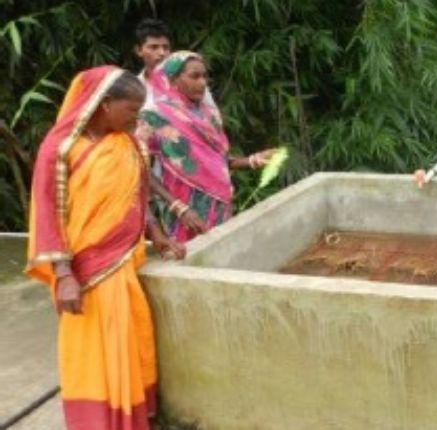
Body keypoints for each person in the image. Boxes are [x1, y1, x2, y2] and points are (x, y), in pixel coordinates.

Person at [26, 66, 185, 430]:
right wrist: (64, 275)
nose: (137, 118)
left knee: (131, 339)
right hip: (85, 273)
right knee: (93, 351)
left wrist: (157, 234)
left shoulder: (126, 142)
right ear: (104, 104)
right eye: (131, 110)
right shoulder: (60, 149)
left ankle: (130, 415)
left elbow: (137, 195)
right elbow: (48, 214)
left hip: (125, 262)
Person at [137, 51, 276, 243]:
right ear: (173, 79)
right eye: (194, 76)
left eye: (204, 76)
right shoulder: (154, 116)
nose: (202, 82)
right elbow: (139, 168)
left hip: (220, 201)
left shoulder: (207, 113)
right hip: (184, 206)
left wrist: (253, 160)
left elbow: (215, 160)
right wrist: (178, 207)